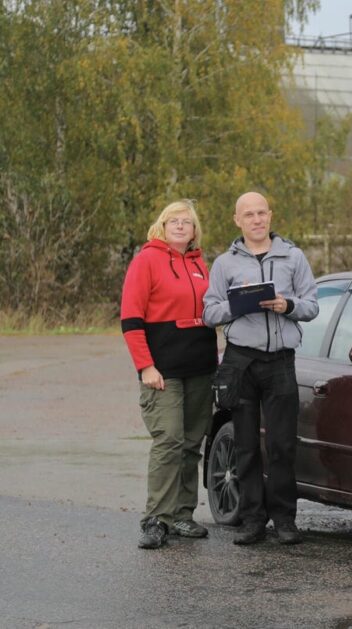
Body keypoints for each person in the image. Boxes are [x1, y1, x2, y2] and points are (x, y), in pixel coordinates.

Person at [203, 191, 318, 545]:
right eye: (249, 214)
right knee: (247, 445)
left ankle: (284, 519)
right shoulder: (225, 263)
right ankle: (253, 518)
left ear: (270, 215)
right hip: (241, 360)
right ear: (237, 220)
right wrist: (236, 307)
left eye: (261, 213)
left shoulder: (293, 257)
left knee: (283, 444)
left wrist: (287, 304)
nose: (256, 220)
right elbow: (209, 312)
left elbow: (312, 305)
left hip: (281, 360)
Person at [120, 199, 218, 549]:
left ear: (194, 231)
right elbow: (131, 319)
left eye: (186, 222)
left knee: (192, 443)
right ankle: (156, 519)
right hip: (163, 371)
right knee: (169, 440)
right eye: (173, 220)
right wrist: (145, 365)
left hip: (201, 369)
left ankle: (182, 515)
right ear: (162, 226)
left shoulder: (200, 265)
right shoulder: (146, 260)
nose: (180, 226)